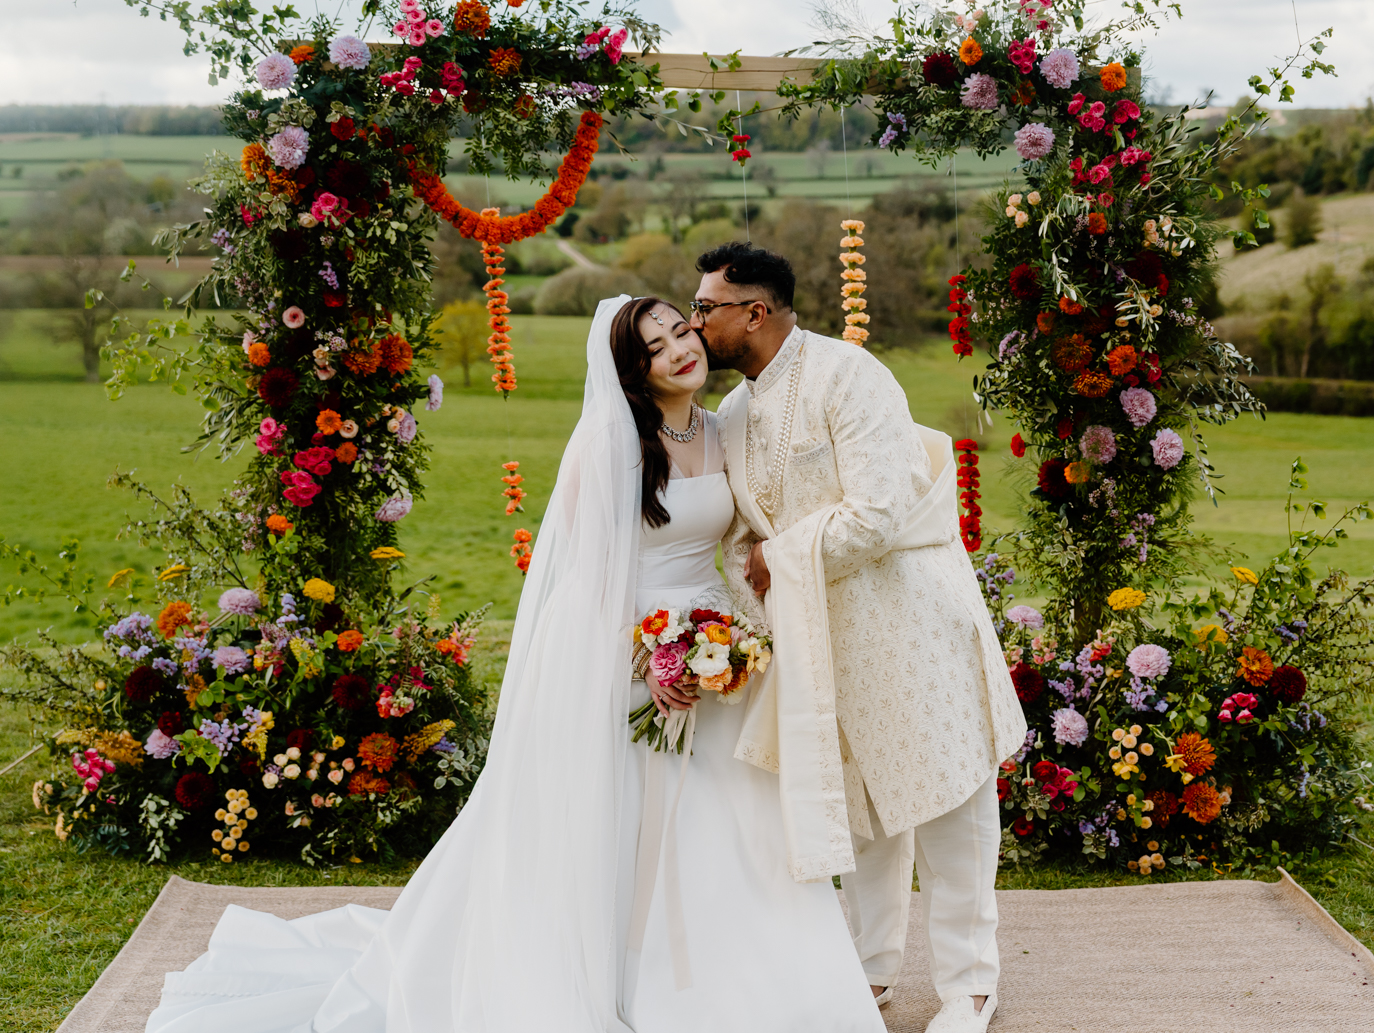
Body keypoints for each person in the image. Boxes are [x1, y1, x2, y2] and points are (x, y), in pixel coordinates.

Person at [144, 295, 885, 1033]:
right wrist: (648, 659)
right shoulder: (611, 444)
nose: (680, 349)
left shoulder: (725, 431)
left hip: (713, 652)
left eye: (681, 330)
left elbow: (736, 541)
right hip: (631, 655)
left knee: (736, 822)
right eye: (657, 346)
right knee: (634, 826)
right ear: (634, 369)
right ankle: (635, 975)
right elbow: (581, 583)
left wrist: (730, 640)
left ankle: (749, 987)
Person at [695, 243, 1027, 1033]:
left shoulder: (850, 375)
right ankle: (868, 976)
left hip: (911, 622)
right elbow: (742, 537)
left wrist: (777, 557)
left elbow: (878, 512)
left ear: (756, 311)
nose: (696, 319)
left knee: (949, 801)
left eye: (708, 307)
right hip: (820, 639)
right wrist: (756, 590)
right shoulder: (734, 414)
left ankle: (971, 984)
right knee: (863, 813)